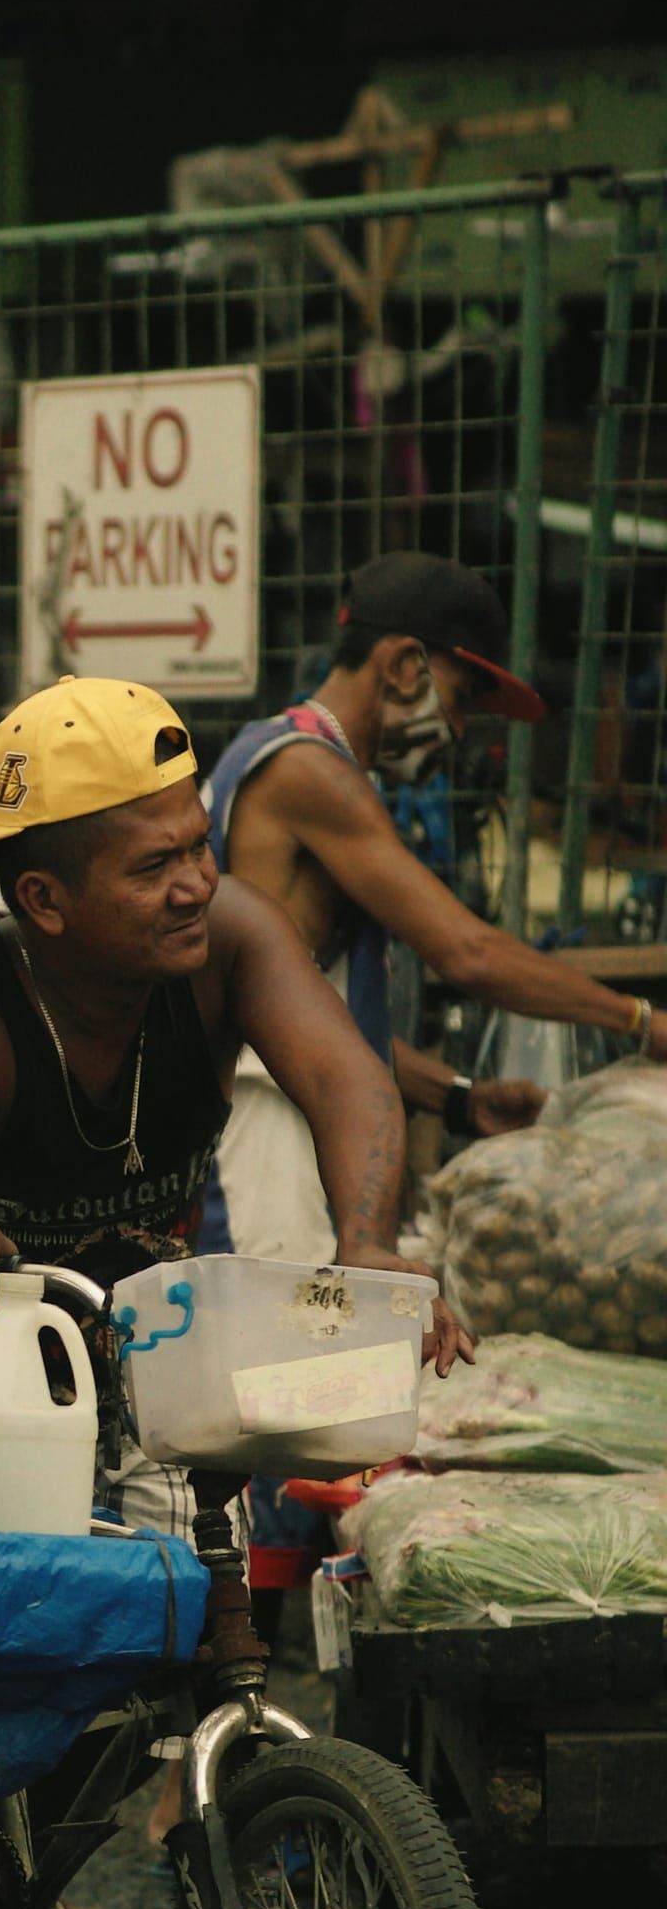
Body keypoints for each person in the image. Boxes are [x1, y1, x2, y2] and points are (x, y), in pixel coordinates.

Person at [0, 674, 463, 1909]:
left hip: (135, 1332)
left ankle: (42, 1885)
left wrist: (372, 1240)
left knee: (179, 1628)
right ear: (44, 901)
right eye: (152, 862)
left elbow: (347, 1079)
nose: (195, 880)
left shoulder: (227, 938)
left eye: (197, 844)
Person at [199, 551, 667, 1594]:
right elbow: (465, 950)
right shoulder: (305, 770)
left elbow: (315, 1007)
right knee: (269, 1404)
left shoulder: (278, 758)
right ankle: (234, 1663)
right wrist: (640, 1022)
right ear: (404, 665)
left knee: (299, 1398)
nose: (461, 733)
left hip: (295, 1114)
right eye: (461, 698)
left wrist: (452, 1096)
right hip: (264, 1127)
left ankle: (263, 1654)